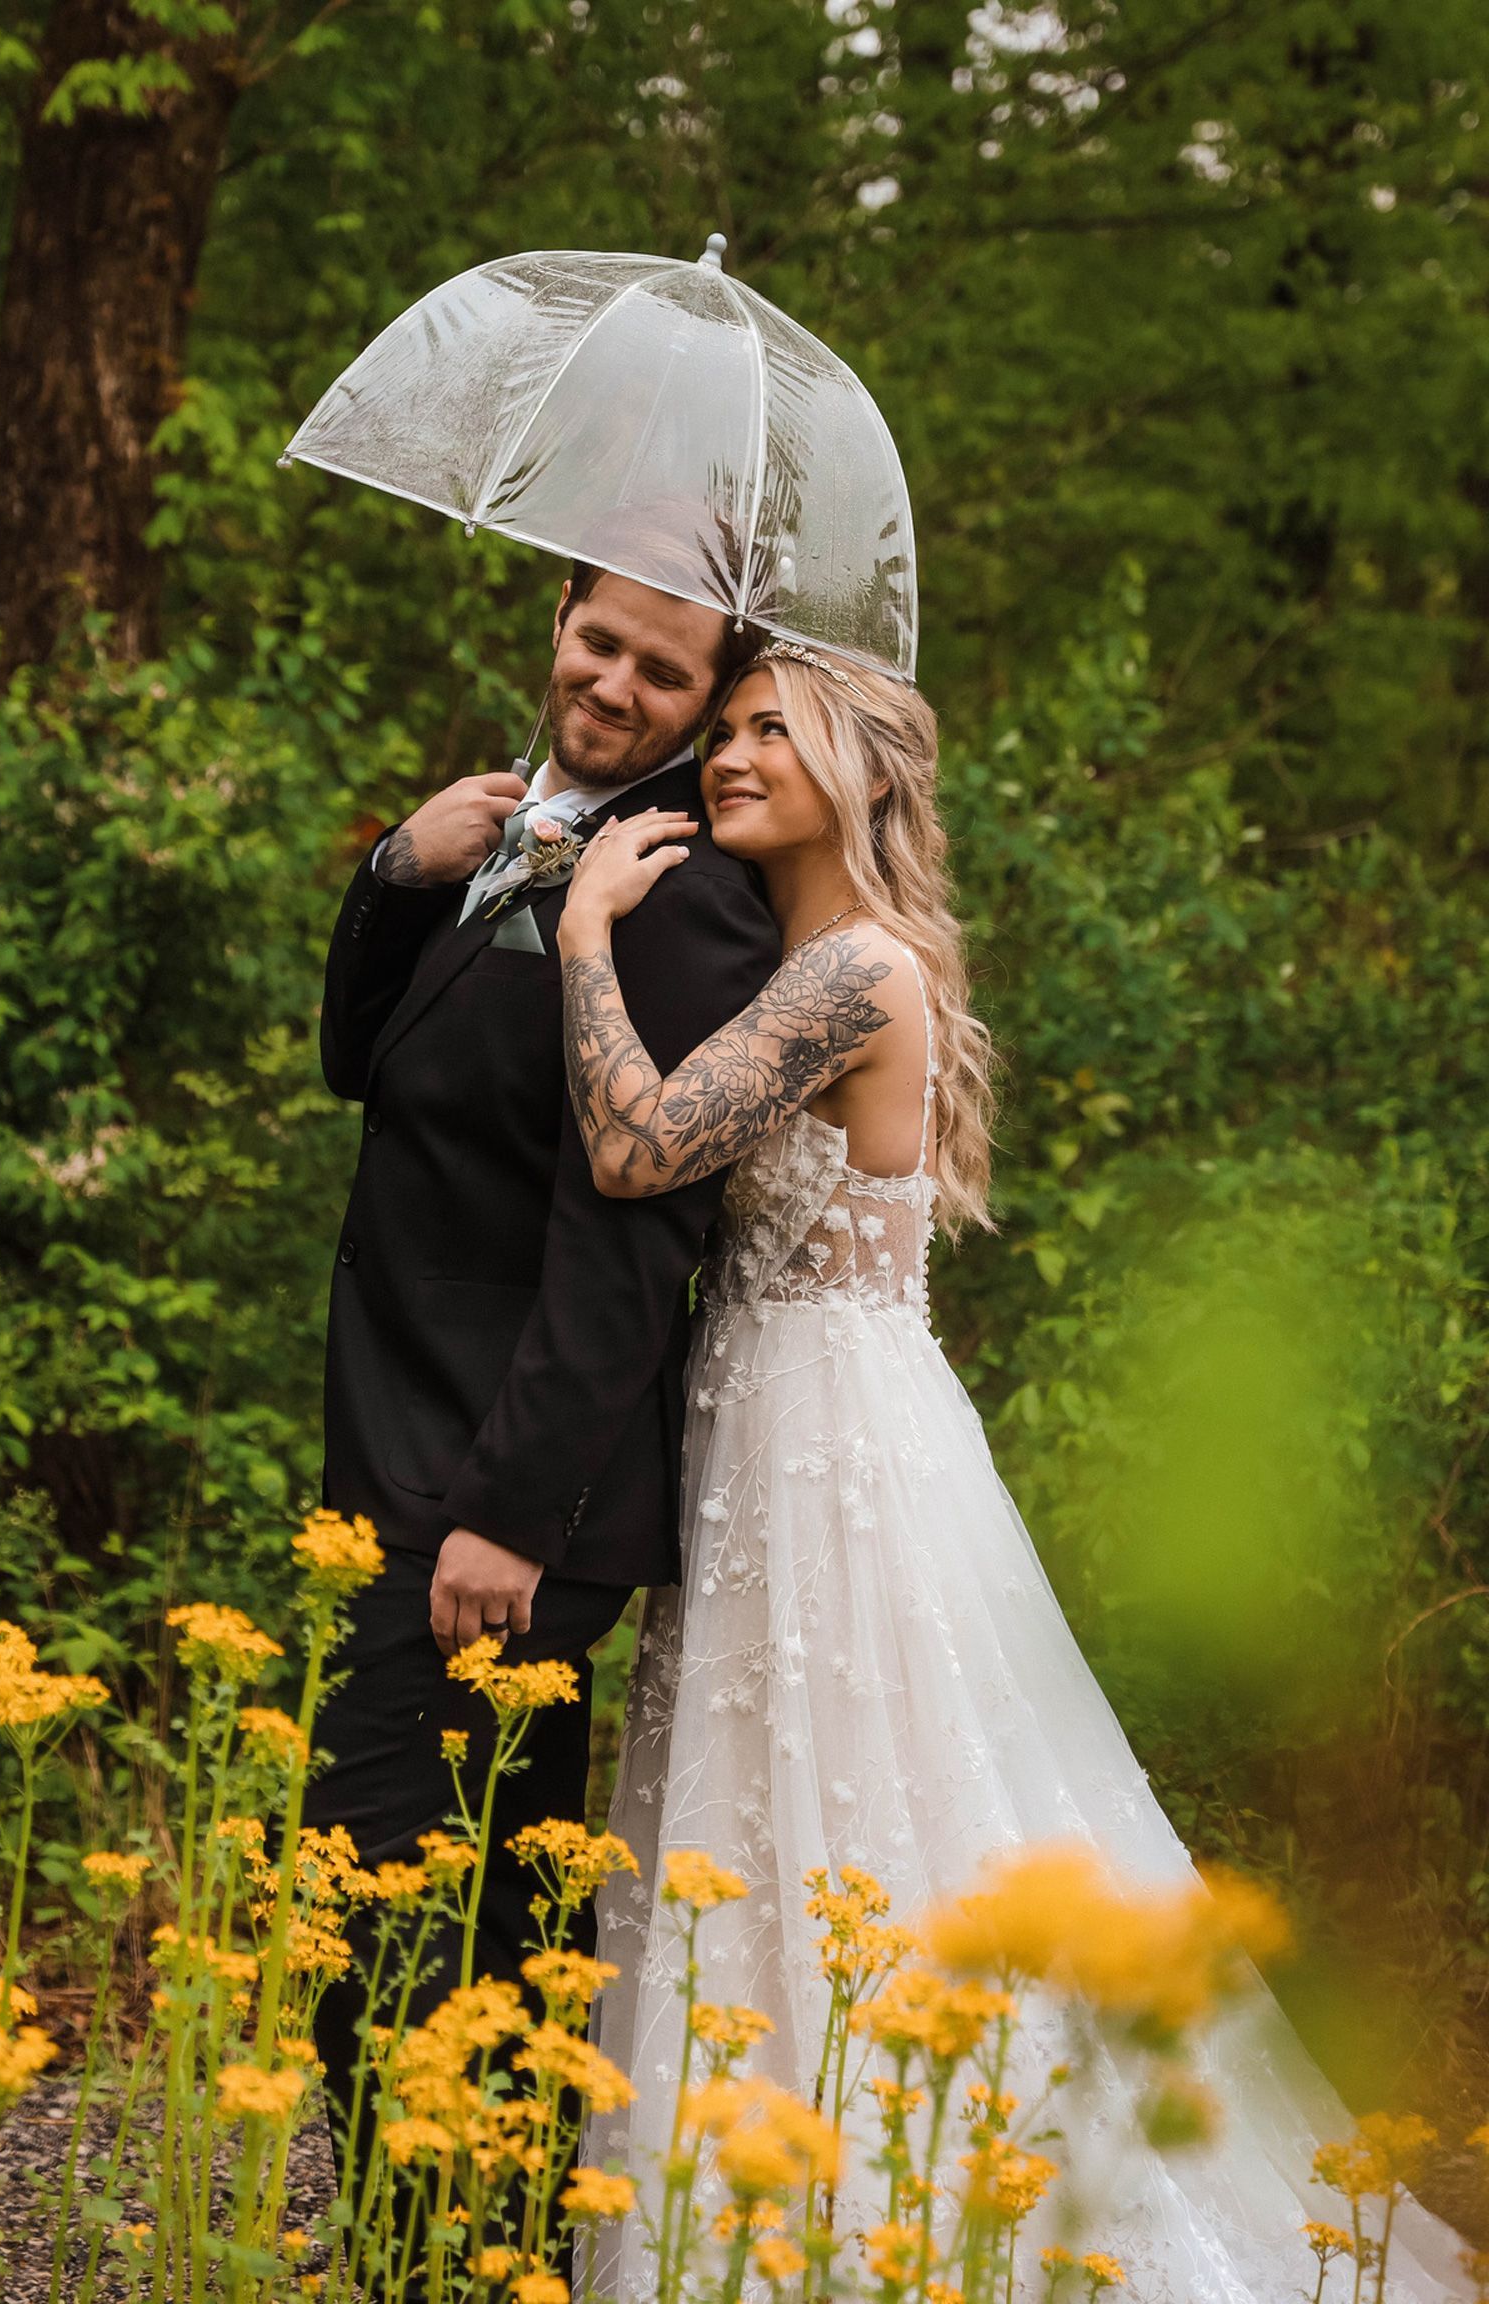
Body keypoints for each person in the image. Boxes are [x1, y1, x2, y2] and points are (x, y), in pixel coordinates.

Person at [555, 639, 1465, 2303]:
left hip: (829, 1441)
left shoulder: (854, 976)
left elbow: (632, 1146)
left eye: (776, 732)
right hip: (781, 1419)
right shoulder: (806, 953)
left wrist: (582, 933)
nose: (732, 753)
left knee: (875, 1822)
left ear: (865, 775)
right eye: (732, 726)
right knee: (783, 1816)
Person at [306, 566, 779, 2193]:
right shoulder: (498, 824)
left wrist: (508, 1516)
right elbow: (358, 1062)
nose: (613, 684)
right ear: (556, 624)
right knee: (495, 1908)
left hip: (500, 1492)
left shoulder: (690, 893)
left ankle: (422, 2247)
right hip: (400, 1438)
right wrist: (395, 871)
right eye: (598, 640)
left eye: (664, 670)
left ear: (711, 699)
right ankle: (496, 2250)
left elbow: (631, 1241)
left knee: (368, 1890)